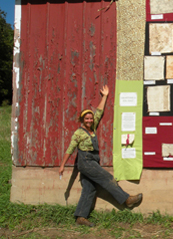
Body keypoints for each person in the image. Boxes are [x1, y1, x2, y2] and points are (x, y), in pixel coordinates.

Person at [59, 85, 142, 227]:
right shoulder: (78, 133)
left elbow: (99, 111)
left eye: (91, 118)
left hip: (92, 161)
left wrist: (105, 96)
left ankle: (80, 217)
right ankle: (126, 199)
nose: (90, 120)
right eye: (87, 118)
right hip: (86, 162)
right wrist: (62, 165)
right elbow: (70, 149)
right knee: (107, 178)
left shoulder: (92, 128)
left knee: (90, 189)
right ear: (82, 119)